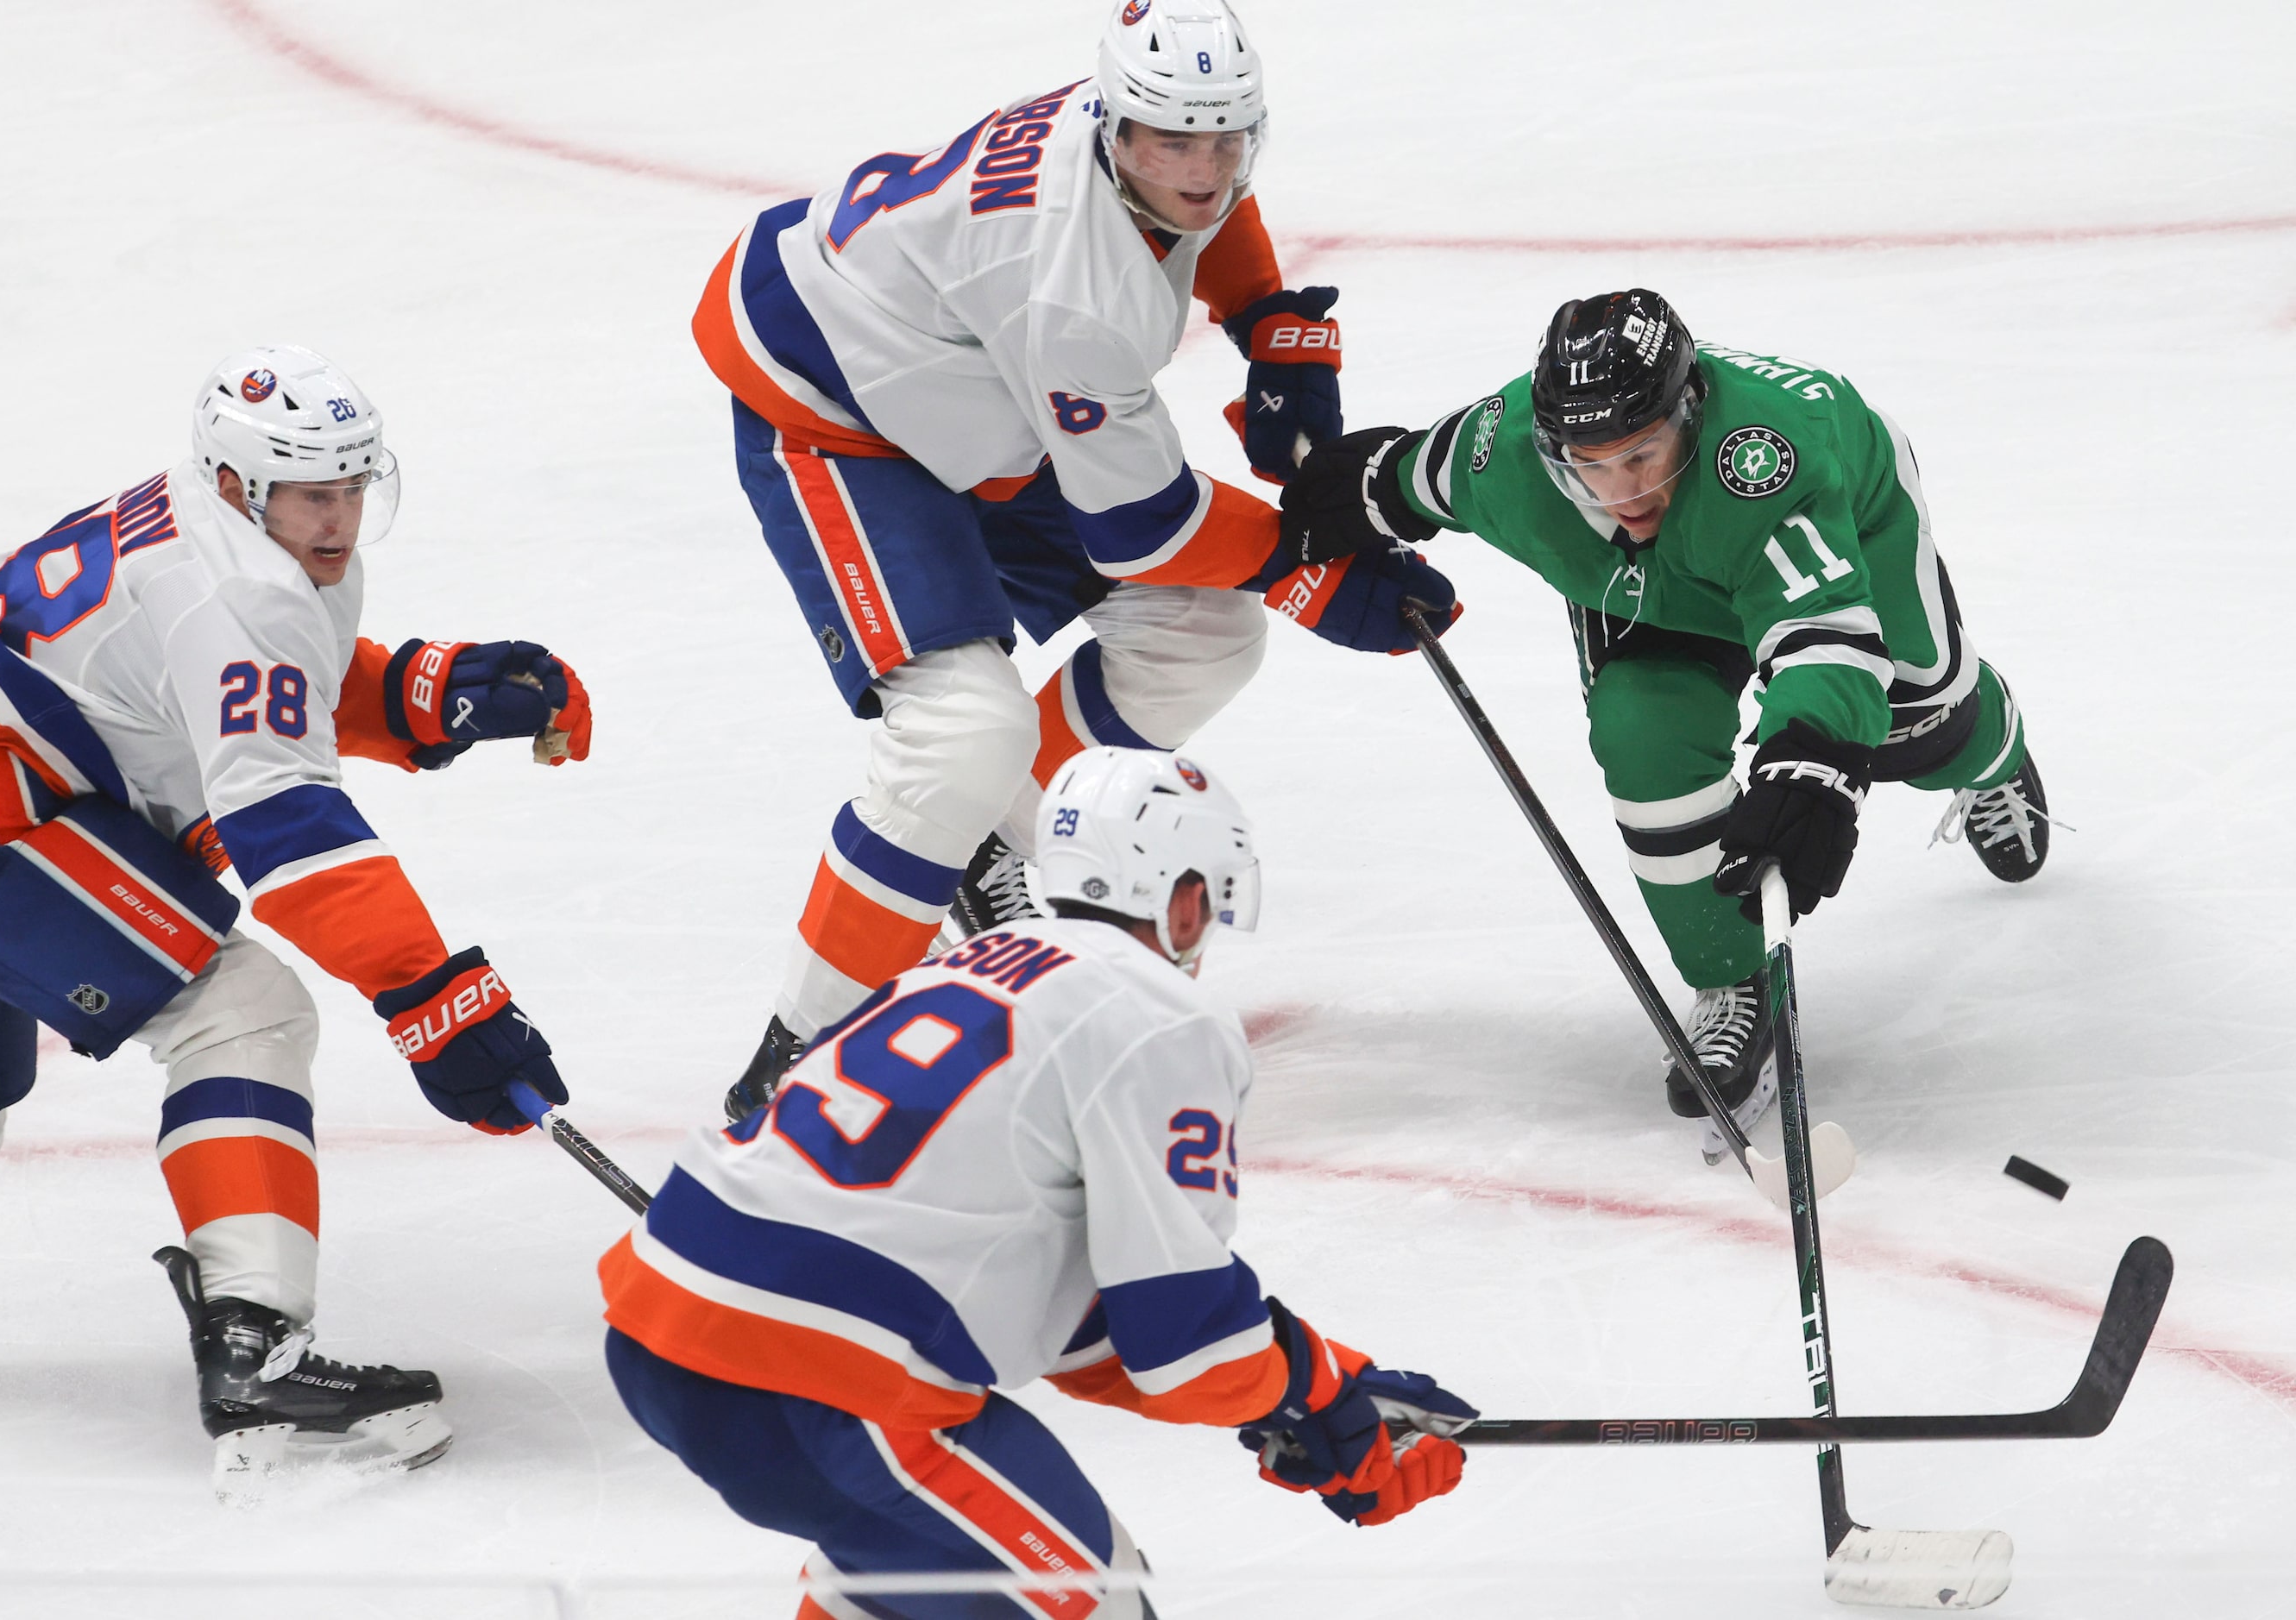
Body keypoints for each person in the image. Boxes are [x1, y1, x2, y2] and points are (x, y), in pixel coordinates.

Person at [695, 0, 1459, 1120]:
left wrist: (1267, 317)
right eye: (1177, 140)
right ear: (1118, 126)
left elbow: (1207, 216)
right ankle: (798, 1058)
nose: (1206, 169)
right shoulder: (1074, 291)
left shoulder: (1127, 137)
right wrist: (1315, 566)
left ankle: (984, 845)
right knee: (962, 734)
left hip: (963, 378)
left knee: (1203, 629)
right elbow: (1142, 526)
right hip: (835, 410)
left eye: (1227, 135)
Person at [0, 343, 590, 1490]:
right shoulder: (243, 580)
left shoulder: (221, 529)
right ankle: (255, 1344)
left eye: (356, 486)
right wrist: (433, 998)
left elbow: (230, 679)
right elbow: (284, 822)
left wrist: (412, 690)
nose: (340, 517)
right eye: (315, 492)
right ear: (245, 486)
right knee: (239, 1008)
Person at [600, 746, 1471, 1616]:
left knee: (906, 1573)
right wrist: (1314, 1399)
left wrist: (1308, 1387)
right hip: (823, 1379)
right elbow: (1182, 1344)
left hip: (664, 1327)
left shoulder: (952, 968)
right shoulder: (1159, 1015)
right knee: (1091, 1600)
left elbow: (1067, 1321)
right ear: (1183, 898)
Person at [1284, 290, 2050, 1158]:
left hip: (1846, 522)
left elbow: (1824, 637)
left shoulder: (1762, 461)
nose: (1623, 491)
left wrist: (1810, 765)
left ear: (1687, 414)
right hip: (1656, 595)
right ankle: (1731, 983)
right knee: (1640, 734)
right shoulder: (1501, 457)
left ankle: (1998, 757)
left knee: (1918, 722)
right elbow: (1403, 477)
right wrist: (1338, 503)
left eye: (1643, 454)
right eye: (1591, 465)